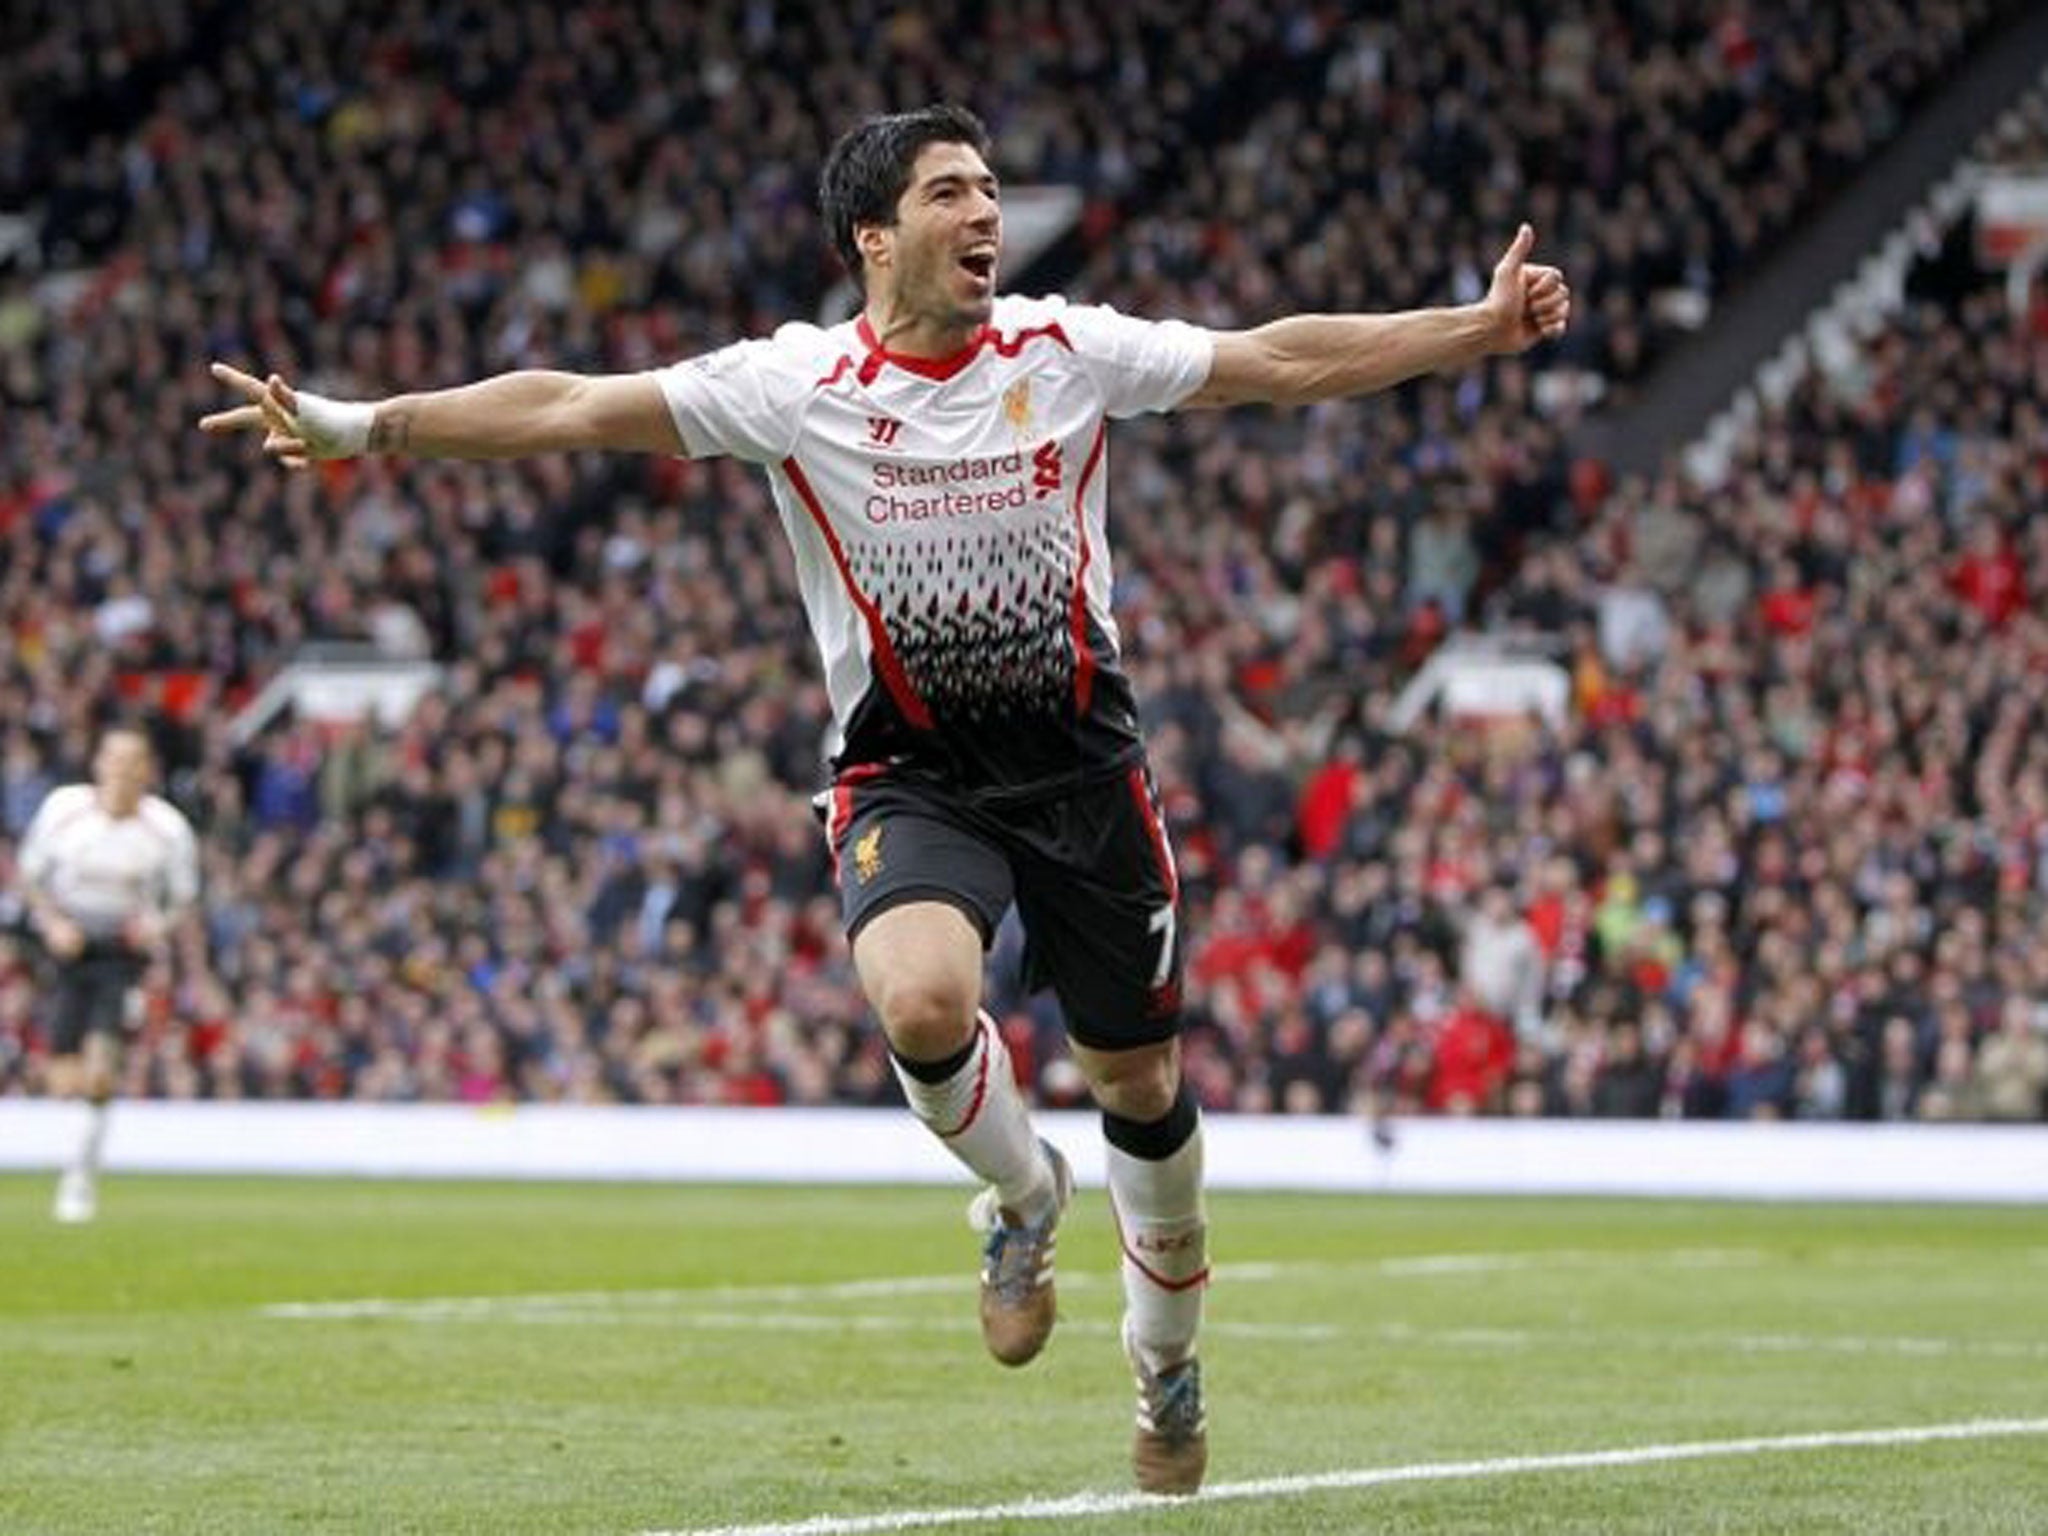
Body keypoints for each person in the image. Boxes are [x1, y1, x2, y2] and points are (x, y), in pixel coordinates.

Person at [201, 103, 1569, 1493]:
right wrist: (366, 427)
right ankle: (1025, 1196)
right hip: (908, 775)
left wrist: (1472, 327)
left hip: (1084, 771)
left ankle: (1165, 1369)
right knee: (919, 1002)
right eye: (951, 195)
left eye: (988, 191)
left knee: (1143, 1087)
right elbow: (569, 403)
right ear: (875, 238)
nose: (987, 216)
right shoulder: (795, 386)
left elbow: (1274, 361)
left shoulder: (1065, 350)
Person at [18, 726, 200, 1223]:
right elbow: (30, 877)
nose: (121, 770)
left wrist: (154, 928)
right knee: (62, 1081)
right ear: (98, 764)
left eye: (132, 761)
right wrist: (53, 924)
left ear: (146, 771)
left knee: (101, 1070)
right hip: (67, 949)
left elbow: (182, 899)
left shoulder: (167, 829)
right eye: (113, 758)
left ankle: (78, 1178)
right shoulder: (63, 810)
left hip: (121, 956)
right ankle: (75, 1150)